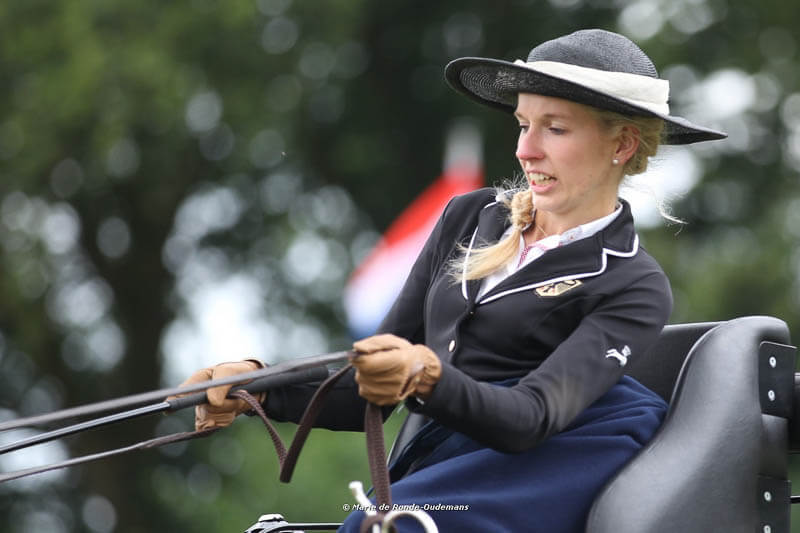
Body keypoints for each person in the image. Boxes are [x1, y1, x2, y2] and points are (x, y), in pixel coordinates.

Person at [177, 29, 726, 532]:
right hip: (445, 459)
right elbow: (367, 390)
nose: (525, 149)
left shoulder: (634, 284)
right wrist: (257, 387)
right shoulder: (469, 217)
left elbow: (531, 418)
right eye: (523, 124)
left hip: (550, 463)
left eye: (555, 128)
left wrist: (426, 378)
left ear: (622, 145)